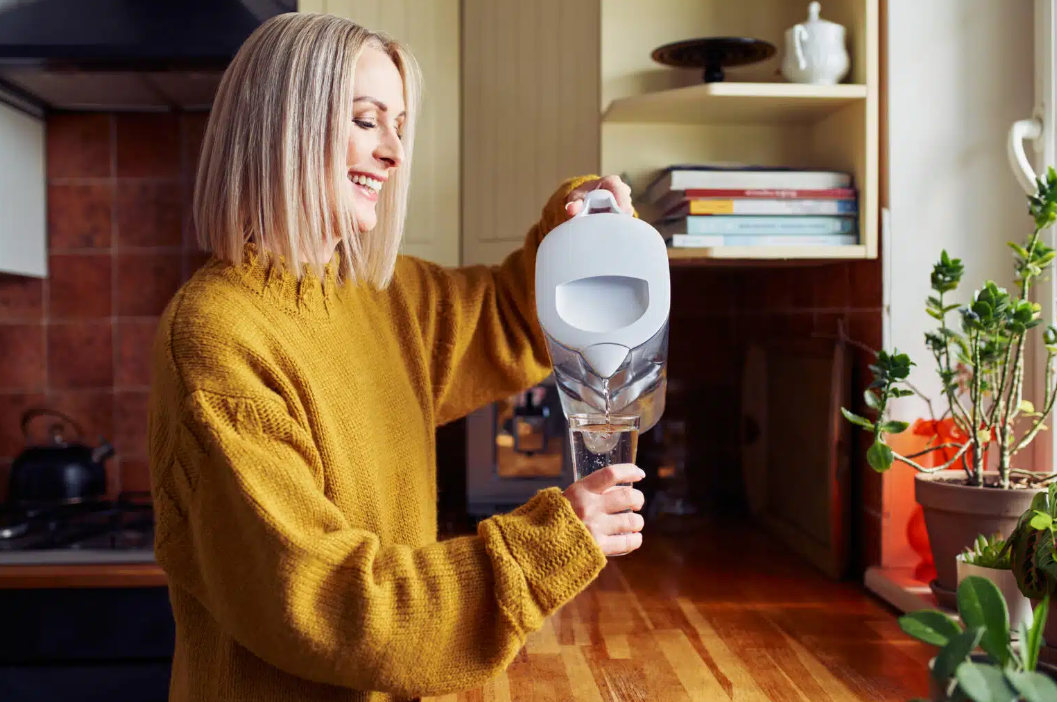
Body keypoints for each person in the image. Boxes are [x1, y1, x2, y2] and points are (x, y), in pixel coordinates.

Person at [147, 11, 646, 702]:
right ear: (282, 126)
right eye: (364, 120)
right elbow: (326, 604)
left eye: (399, 127)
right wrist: (546, 544)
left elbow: (514, 316)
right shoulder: (217, 336)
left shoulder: (386, 299)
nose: (393, 152)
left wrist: (576, 224)